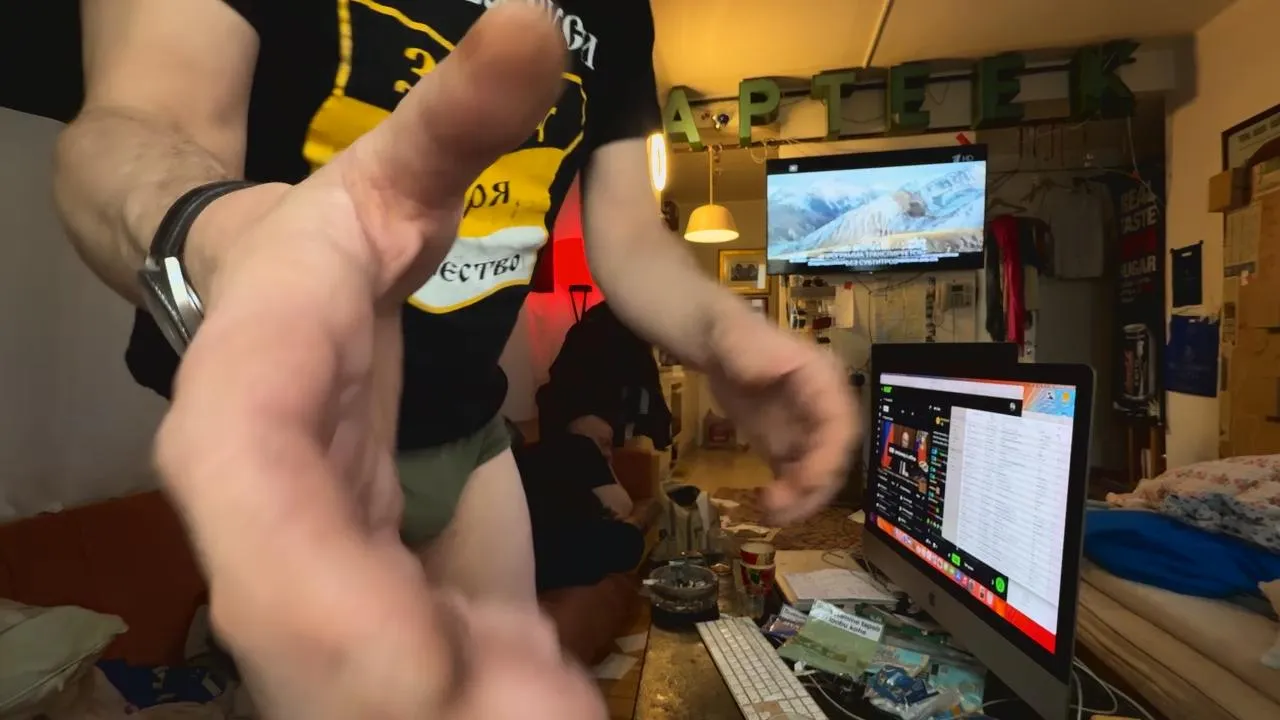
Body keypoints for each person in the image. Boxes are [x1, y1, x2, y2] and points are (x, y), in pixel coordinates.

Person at [52, 2, 859, 718]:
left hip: (474, 441)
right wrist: (226, 239)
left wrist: (725, 334)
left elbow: (629, 238)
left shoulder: (618, 13)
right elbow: (131, 122)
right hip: (301, 434)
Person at [511, 414, 650, 593]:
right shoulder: (580, 445)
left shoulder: (533, 458)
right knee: (630, 541)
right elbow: (621, 506)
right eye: (604, 443)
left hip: (531, 552)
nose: (609, 452)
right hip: (552, 552)